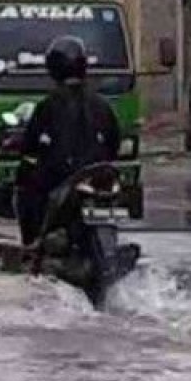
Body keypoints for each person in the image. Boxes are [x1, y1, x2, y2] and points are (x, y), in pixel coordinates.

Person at [15, 36, 120, 247]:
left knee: (27, 187)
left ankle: (34, 242)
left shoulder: (48, 106)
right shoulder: (101, 105)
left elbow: (30, 144)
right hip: (92, 177)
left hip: (64, 178)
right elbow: (114, 140)